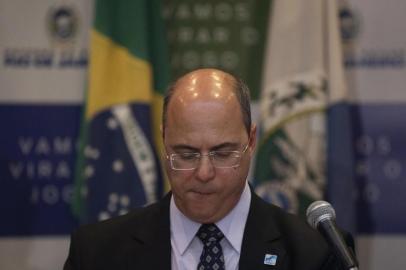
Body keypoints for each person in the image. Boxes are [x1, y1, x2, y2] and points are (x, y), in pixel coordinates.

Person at [64, 68, 347, 269]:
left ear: (251, 140)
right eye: (186, 154)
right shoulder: (96, 254)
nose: (203, 173)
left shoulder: (316, 253)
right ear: (164, 141)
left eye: (222, 153)